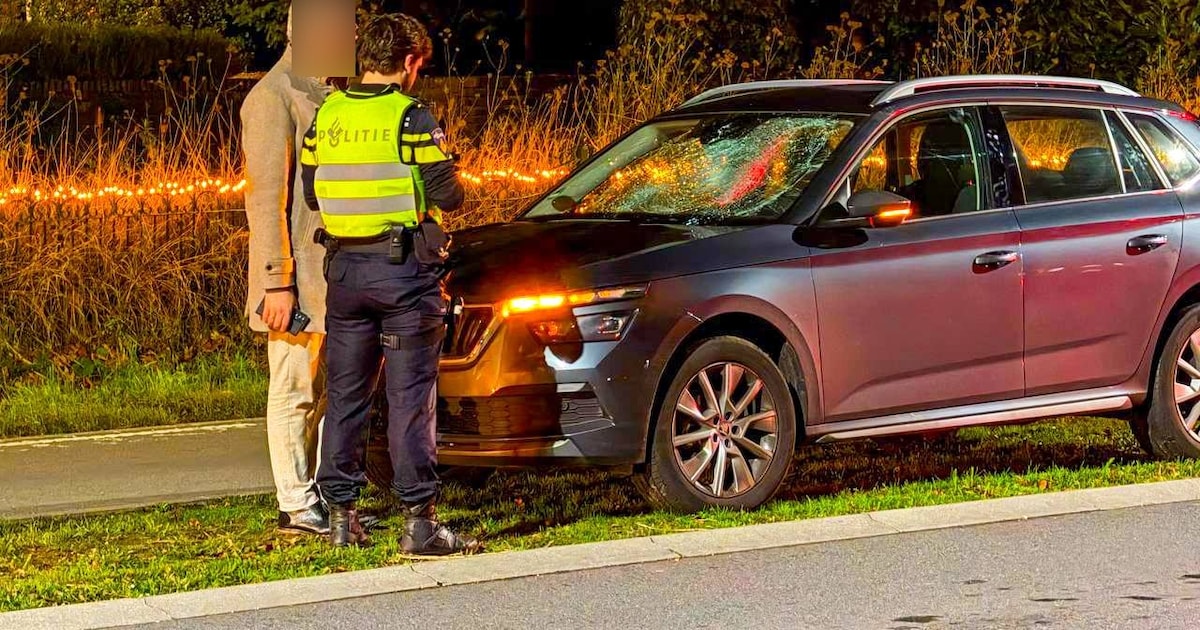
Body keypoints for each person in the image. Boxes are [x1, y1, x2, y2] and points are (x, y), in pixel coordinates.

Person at [301, 13, 478, 554]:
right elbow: (449, 195)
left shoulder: (326, 116)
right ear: (408, 62)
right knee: (409, 402)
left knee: (346, 397)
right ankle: (419, 524)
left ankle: (340, 519)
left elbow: (312, 195)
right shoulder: (411, 118)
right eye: (419, 66)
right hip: (403, 276)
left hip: (345, 275)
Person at [240, 3, 333, 536]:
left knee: (322, 391)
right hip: (297, 281)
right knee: (293, 387)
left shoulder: (322, 92)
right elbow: (266, 202)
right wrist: (276, 281)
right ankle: (296, 501)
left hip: (327, 274)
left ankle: (314, 489)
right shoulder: (273, 98)